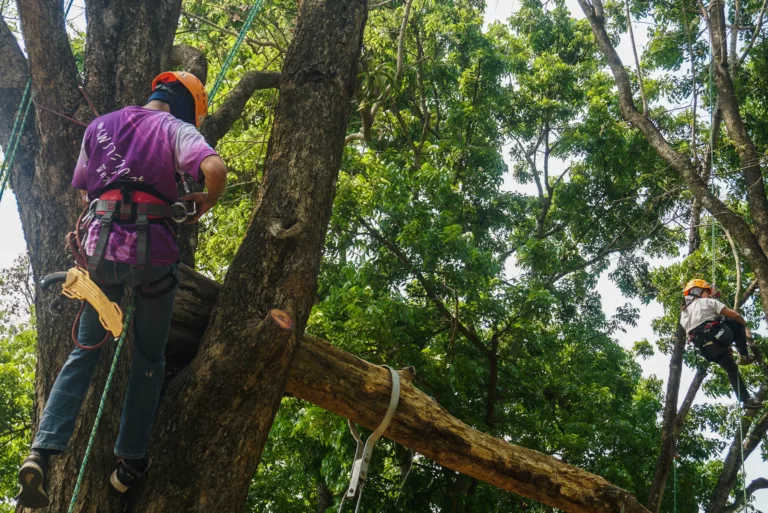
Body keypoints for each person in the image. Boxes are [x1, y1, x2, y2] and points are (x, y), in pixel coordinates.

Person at [16, 71, 227, 508]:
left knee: (85, 351)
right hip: (154, 258)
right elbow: (214, 168)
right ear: (188, 106)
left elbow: (84, 189)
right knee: (149, 355)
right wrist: (206, 200)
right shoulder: (177, 129)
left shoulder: (100, 126)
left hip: (102, 255)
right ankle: (129, 462)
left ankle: (41, 450)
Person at [680, 279, 762, 411]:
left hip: (706, 349)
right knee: (735, 322)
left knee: (731, 369)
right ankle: (744, 355)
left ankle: (746, 400)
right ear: (699, 292)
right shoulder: (708, 302)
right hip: (718, 337)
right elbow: (735, 315)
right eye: (707, 292)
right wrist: (744, 324)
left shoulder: (684, 314)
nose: (709, 295)